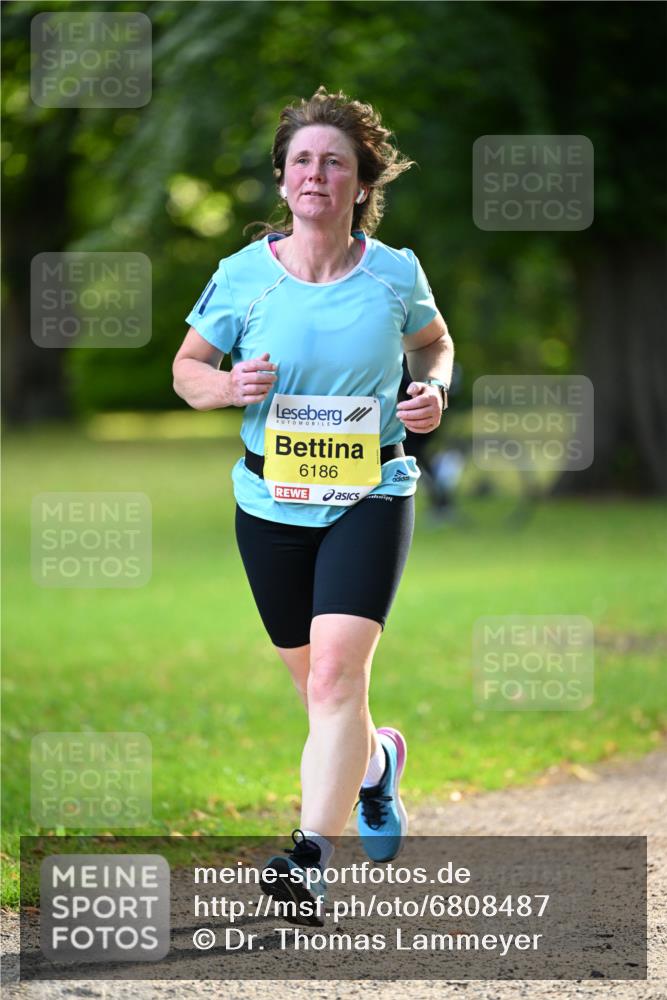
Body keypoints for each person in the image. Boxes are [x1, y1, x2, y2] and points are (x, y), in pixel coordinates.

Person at [172, 86, 454, 926]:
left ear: (360, 182)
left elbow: (434, 344)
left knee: (336, 675)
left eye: (334, 162)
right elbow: (187, 369)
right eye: (301, 160)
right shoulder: (242, 276)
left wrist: (432, 391)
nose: (315, 175)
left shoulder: (394, 273)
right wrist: (226, 387)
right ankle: (377, 765)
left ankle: (307, 859)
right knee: (319, 692)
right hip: (269, 500)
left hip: (371, 491)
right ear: (281, 177)